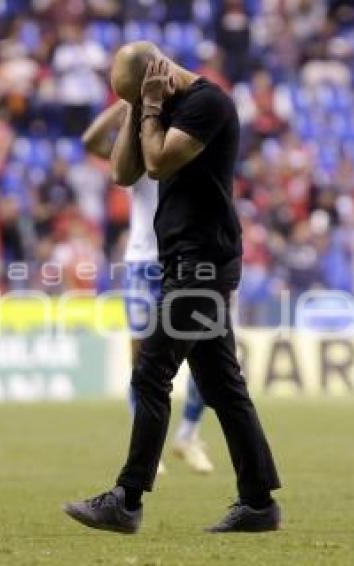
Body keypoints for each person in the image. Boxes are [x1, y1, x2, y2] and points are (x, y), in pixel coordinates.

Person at [63, 41, 281, 534]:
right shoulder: (153, 108)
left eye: (139, 98)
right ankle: (259, 502)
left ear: (156, 77)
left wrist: (153, 108)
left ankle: (127, 498)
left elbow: (158, 163)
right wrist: (138, 106)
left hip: (203, 263)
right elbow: (123, 172)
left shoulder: (209, 103)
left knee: (151, 371)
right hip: (182, 261)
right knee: (224, 385)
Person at [81, 101, 214, 475]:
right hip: (142, 264)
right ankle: (147, 449)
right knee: (141, 362)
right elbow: (91, 140)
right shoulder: (137, 159)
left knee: (208, 358)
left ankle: (187, 435)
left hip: (185, 264)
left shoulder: (190, 153)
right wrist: (124, 106)